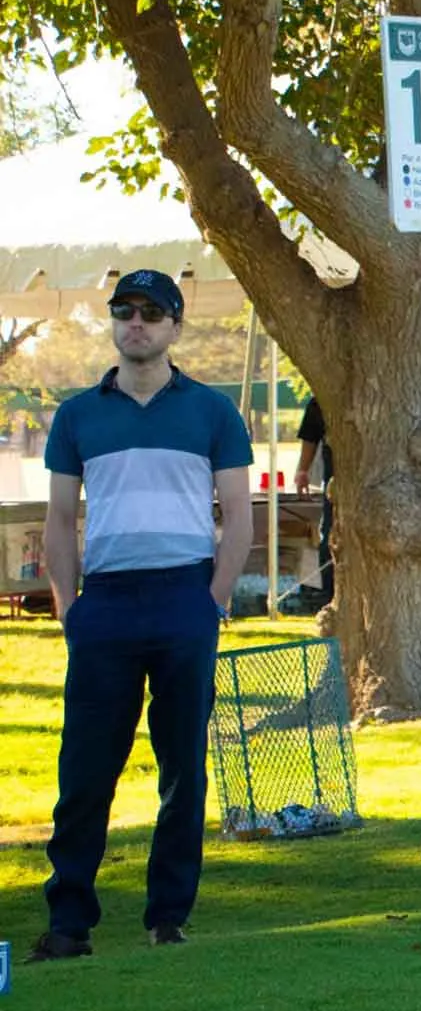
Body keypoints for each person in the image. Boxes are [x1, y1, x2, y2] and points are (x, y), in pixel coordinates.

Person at [28, 270, 253, 963]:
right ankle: (69, 922)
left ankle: (168, 917)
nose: (136, 323)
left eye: (152, 313)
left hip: (185, 596)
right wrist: (71, 610)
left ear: (176, 326)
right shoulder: (78, 416)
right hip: (107, 606)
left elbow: (240, 516)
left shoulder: (213, 413)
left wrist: (211, 601)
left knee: (182, 766)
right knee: (86, 768)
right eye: (124, 311)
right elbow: (60, 521)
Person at [293, 395, 334, 604]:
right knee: (330, 535)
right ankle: (329, 596)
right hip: (335, 479)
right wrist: (302, 471)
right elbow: (310, 435)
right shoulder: (321, 398)